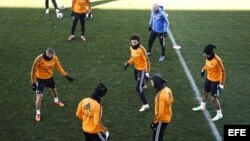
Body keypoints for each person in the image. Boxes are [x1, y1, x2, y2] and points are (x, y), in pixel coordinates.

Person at [31, 48, 74, 122]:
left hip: (50, 78)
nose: (53, 57)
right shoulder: (39, 59)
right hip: (40, 80)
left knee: (54, 89)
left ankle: (56, 101)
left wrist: (66, 75)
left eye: (54, 55)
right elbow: (33, 71)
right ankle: (38, 113)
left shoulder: (54, 57)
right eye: (52, 56)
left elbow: (59, 66)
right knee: (39, 96)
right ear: (47, 54)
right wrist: (33, 83)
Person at [192, 44, 226, 121]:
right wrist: (203, 69)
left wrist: (221, 84)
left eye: (205, 55)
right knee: (205, 93)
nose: (204, 56)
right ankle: (202, 106)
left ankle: (219, 114)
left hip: (216, 81)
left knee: (213, 99)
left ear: (210, 54)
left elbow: (222, 72)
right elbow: (207, 65)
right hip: (209, 79)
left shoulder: (217, 60)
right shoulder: (208, 57)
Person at [124, 34, 151, 112]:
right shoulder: (131, 48)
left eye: (135, 42)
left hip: (142, 70)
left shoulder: (141, 49)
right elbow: (133, 58)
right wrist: (128, 63)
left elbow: (147, 61)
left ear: (138, 42)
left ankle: (146, 105)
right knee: (138, 81)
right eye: (132, 42)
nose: (133, 44)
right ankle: (144, 85)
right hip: (136, 68)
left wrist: (147, 72)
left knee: (138, 88)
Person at [150, 74, 174, 141]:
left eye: (152, 82)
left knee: (156, 138)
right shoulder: (167, 89)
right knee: (160, 135)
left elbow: (159, 113)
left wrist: (153, 122)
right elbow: (172, 100)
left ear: (156, 83)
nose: (151, 83)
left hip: (161, 120)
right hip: (168, 116)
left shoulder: (160, 96)